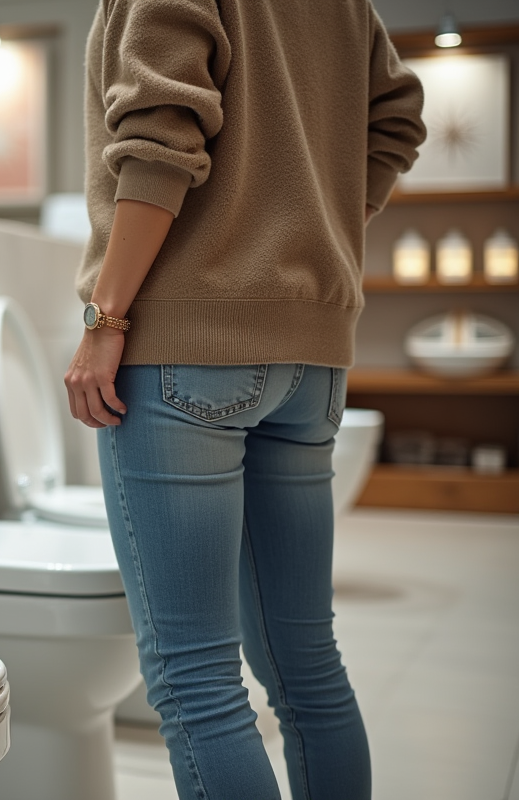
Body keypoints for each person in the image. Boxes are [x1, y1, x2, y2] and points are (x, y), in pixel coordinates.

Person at [63, 1, 425, 797]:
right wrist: (311, 224)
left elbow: (160, 140)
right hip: (312, 356)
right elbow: (396, 116)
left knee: (197, 683)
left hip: (185, 350)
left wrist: (107, 317)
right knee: (308, 668)